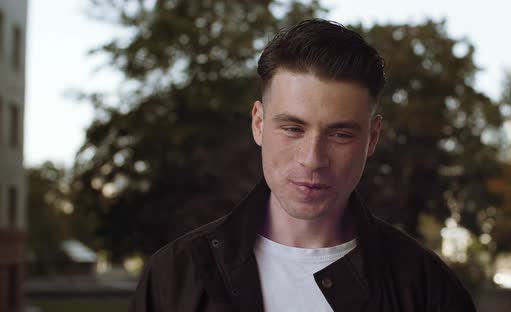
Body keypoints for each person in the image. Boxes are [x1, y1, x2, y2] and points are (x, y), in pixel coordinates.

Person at [129, 19, 477, 312]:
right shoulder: (174, 277)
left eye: (340, 134)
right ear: (258, 123)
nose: (312, 159)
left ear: (372, 138)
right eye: (293, 128)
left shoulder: (426, 288)